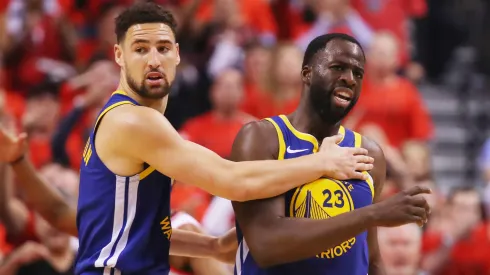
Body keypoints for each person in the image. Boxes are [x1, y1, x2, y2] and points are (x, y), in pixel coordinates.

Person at [0, 3, 375, 275]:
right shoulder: (133, 122)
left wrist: (208, 246)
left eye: (163, 49)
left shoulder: (121, 122)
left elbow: (69, 218)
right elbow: (232, 181)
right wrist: (324, 162)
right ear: (118, 55)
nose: (153, 60)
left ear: (178, 55)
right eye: (140, 49)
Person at [231, 33, 431, 275]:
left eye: (358, 73)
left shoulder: (369, 153)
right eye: (338, 67)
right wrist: (373, 214)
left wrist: (371, 218)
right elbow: (266, 245)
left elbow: (370, 256)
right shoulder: (263, 139)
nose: (349, 79)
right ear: (307, 73)